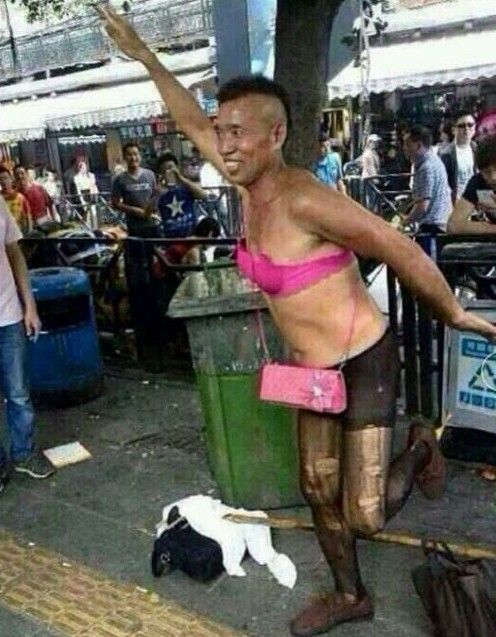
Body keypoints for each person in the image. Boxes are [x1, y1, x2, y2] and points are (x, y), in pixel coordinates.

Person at [98, 6, 496, 635]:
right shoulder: (242, 183)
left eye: (238, 132)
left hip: (364, 357)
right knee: (315, 485)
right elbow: (188, 117)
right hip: (313, 371)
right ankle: (351, 594)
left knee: (365, 514)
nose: (224, 144)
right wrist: (146, 56)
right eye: (221, 131)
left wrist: (452, 311)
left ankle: (422, 446)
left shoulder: (307, 199)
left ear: (276, 135)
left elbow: (398, 247)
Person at [0, 195, 55, 494]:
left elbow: (15, 254)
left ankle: (24, 453)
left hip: (8, 314)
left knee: (19, 393)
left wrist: (29, 307)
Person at [401, 125, 452, 236]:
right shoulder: (433, 161)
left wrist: (403, 223)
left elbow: (422, 207)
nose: (404, 148)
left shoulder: (426, 168)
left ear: (419, 145)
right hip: (439, 223)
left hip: (433, 227)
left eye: (407, 144)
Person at [448, 134, 496, 234]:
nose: (493, 177)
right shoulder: (478, 182)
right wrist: (490, 228)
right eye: (486, 172)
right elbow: (453, 225)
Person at [111, 142, 161, 238]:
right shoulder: (119, 179)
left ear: (140, 156)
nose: (133, 158)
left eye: (135, 154)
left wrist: (153, 209)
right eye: (129, 155)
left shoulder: (150, 175)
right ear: (124, 158)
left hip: (153, 223)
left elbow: (155, 195)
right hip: (134, 226)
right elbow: (115, 203)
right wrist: (134, 210)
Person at [155, 152, 207, 238]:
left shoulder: (186, 186)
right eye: (165, 170)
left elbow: (203, 195)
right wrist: (157, 194)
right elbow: (148, 213)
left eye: (171, 167)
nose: (169, 171)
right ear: (161, 173)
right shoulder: (160, 191)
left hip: (192, 236)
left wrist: (181, 178)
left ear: (177, 168)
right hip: (172, 239)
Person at [441, 111, 477, 203]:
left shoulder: (477, 149)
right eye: (461, 126)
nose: (466, 129)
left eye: (470, 125)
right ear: (454, 130)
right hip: (455, 203)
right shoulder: (446, 154)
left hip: (475, 202)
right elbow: (443, 184)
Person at [0, 167, 32, 234]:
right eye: (0, 179)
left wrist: (29, 234)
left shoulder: (20, 198)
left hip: (19, 234)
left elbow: (28, 218)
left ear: (11, 178)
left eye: (5, 178)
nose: (4, 181)